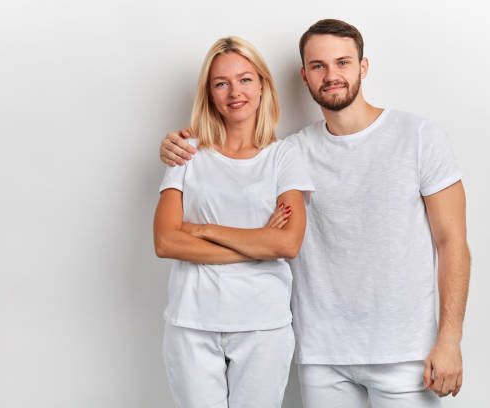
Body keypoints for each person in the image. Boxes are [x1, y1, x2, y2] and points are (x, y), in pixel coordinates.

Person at [159, 19, 471, 408]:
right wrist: (176, 145)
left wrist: (450, 339)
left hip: (405, 354)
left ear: (363, 67)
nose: (332, 75)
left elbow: (452, 241)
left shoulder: (419, 136)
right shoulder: (293, 151)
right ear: (304, 76)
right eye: (319, 66)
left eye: (343, 62)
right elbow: (232, 158)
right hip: (322, 357)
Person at [153, 36, 314, 408]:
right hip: (191, 322)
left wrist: (202, 230)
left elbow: (287, 244)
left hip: (262, 323)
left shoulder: (284, 157)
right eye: (221, 83)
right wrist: (256, 244)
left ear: (262, 85)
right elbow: (165, 242)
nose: (234, 92)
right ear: (209, 94)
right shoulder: (187, 151)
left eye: (244, 79)